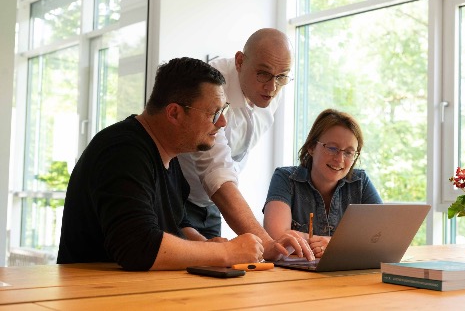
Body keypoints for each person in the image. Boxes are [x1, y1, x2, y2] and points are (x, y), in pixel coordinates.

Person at [57, 57, 312, 271]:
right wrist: (226, 253)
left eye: (223, 111)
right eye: (214, 113)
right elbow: (137, 248)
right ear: (174, 113)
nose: (222, 123)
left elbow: (177, 225)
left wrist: (207, 245)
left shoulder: (169, 156)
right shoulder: (122, 150)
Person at [178, 28, 296, 243]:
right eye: (263, 74)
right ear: (240, 61)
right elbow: (216, 171)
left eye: (281, 77)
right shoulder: (209, 87)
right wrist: (267, 242)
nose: (272, 87)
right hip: (177, 199)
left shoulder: (271, 88)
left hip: (212, 204)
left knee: (210, 272)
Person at [262, 109, 383, 258]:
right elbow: (278, 238)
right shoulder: (286, 178)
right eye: (332, 148)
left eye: (348, 152)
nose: (339, 159)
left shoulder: (360, 182)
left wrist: (332, 244)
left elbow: (383, 238)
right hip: (295, 276)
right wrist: (347, 244)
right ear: (311, 147)